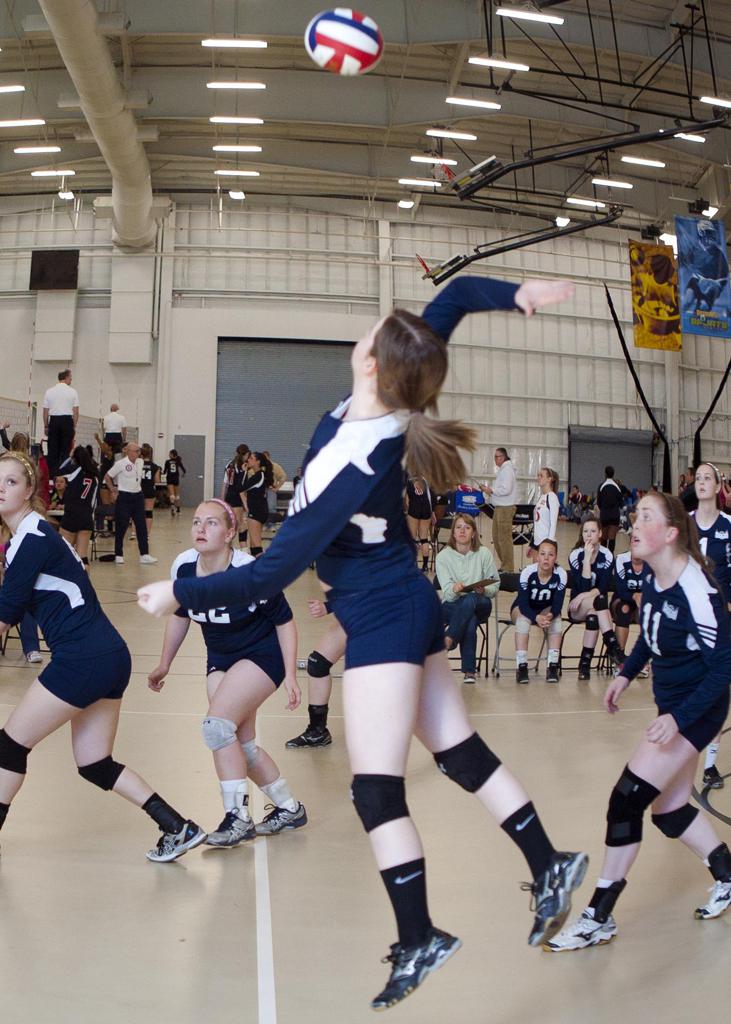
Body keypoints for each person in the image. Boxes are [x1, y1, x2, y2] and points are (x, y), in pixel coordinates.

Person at [138, 273, 588, 1010]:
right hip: (397, 600)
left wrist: (178, 592)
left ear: (372, 362)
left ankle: (420, 936)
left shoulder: (355, 458)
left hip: (383, 614)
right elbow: (451, 300)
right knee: (457, 750)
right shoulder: (385, 400)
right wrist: (517, 294)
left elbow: (271, 572)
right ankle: (549, 862)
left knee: (374, 787)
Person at [546, 493, 731, 951]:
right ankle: (728, 876)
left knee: (626, 800)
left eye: (645, 516)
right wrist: (625, 676)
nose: (634, 522)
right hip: (675, 705)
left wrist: (679, 720)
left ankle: (598, 917)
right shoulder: (654, 576)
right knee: (668, 813)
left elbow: (725, 666)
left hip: (697, 708)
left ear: (670, 533)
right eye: (636, 515)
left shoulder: (696, 590)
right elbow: (649, 636)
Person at [0, 450, 205, 862]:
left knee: (9, 747)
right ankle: (177, 826)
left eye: (10, 482)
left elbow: (4, 618)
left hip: (83, 658)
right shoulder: (37, 534)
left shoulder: (31, 538)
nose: (0, 489)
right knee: (94, 763)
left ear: (30, 491)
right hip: (109, 655)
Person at [148, 499, 307, 844]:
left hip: (262, 656)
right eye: (196, 522)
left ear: (231, 532)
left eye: (212, 523)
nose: (201, 529)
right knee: (240, 746)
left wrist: (291, 676)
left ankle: (237, 818)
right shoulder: (185, 567)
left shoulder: (250, 572)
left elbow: (285, 621)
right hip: (220, 658)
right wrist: (165, 663)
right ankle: (289, 808)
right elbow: (180, 614)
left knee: (217, 727)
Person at [691, 463, 731, 790]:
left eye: (708, 478)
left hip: (720, 616)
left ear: (719, 486)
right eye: (698, 478)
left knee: (718, 689)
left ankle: (711, 764)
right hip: (689, 617)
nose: (702, 483)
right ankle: (682, 757)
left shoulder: (729, 526)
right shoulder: (684, 525)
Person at [436, 514, 499, 684]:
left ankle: (449, 638)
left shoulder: (484, 553)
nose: (462, 531)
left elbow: (495, 586)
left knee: (471, 599)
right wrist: (455, 590)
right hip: (453, 604)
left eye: (467, 527)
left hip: (481, 602)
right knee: (469, 618)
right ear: (453, 533)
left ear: (473, 533)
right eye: (458, 527)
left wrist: (484, 589)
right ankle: (469, 671)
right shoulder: (443, 557)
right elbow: (448, 594)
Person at [567, 516, 623, 679]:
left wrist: (584, 595)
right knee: (599, 601)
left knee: (594, 615)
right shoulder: (575, 555)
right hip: (577, 607)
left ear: (600, 533)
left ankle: (584, 665)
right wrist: (586, 558)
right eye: (585, 531)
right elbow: (583, 586)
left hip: (596, 606)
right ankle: (614, 648)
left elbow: (603, 587)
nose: (588, 535)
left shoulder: (607, 556)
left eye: (592, 531)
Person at [286, 599, 345, 749]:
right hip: (356, 608)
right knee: (318, 663)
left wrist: (329, 605)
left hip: (387, 609)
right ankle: (317, 731)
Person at [512, 539, 566, 684]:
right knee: (523, 621)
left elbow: (558, 603)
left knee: (556, 621)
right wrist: (535, 617)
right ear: (537, 556)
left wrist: (550, 614)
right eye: (542, 554)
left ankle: (552, 666)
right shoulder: (527, 572)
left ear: (555, 557)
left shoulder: (560, 574)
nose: (546, 558)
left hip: (545, 609)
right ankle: (521, 666)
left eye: (550, 555)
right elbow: (523, 604)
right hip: (524, 608)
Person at [104, 442, 157, 565]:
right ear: (127, 451)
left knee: (141, 526)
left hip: (138, 496)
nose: (137, 453)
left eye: (138, 451)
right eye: (135, 451)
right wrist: (113, 489)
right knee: (121, 526)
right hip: (124, 497)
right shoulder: (120, 464)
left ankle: (144, 554)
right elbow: (107, 476)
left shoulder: (140, 462)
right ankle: (119, 554)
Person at [58, 445, 98, 566]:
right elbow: (94, 501)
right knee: (83, 556)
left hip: (71, 514)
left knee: (65, 553)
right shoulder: (95, 475)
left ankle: (66, 583)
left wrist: (69, 458)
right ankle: (84, 583)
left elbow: (59, 471)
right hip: (86, 516)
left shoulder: (73, 470)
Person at [611, 548, 648, 673]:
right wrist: (635, 596)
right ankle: (619, 659)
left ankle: (643, 660)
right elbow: (621, 590)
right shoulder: (622, 559)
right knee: (624, 609)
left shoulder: (652, 560)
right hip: (621, 601)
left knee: (647, 611)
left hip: (641, 604)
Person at [481, 447, 517, 572]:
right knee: (496, 538)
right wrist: (490, 492)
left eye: (497, 457)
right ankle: (505, 564)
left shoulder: (507, 470)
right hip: (500, 507)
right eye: (494, 457)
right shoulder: (503, 470)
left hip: (505, 508)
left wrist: (491, 490)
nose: (495, 459)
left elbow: (506, 489)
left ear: (503, 457)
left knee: (504, 538)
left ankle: (508, 567)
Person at [43, 369, 79, 478]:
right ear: (66, 377)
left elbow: (45, 412)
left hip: (54, 421)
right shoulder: (72, 391)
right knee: (65, 451)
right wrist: (73, 426)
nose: (71, 379)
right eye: (71, 377)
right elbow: (76, 412)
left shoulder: (49, 391)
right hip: (67, 421)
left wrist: (46, 425)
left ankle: (52, 477)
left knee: (53, 451)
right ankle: (63, 478)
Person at [240, 451, 273, 557]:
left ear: (258, 462)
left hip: (256, 512)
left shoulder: (258, 476)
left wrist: (244, 472)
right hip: (259, 510)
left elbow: (241, 487)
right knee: (254, 546)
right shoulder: (258, 475)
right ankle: (254, 568)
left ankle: (263, 570)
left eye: (251, 458)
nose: (248, 460)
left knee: (256, 545)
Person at [221, 444, 250, 547]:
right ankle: (227, 548)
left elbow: (225, 484)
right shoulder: (241, 468)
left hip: (229, 496)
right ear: (246, 454)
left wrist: (222, 500)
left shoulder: (229, 464)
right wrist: (246, 505)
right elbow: (240, 489)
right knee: (237, 525)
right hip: (237, 499)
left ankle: (243, 550)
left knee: (239, 524)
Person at [529, 467, 560, 559]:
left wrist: (549, 545)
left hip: (546, 543)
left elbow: (553, 524)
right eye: (538, 475)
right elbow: (537, 523)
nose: (538, 477)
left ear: (549, 479)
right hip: (536, 542)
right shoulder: (542, 497)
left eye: (541, 476)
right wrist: (531, 544)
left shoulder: (552, 497)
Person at [405, 475, 433, 572]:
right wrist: (432, 512)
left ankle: (413, 564)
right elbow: (430, 497)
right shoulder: (425, 479)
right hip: (426, 509)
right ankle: (425, 565)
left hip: (414, 508)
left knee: (412, 538)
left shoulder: (409, 480)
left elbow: (407, 499)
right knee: (424, 539)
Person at [597, 466, 625, 554]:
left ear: (605, 474)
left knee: (604, 537)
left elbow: (598, 503)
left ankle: (603, 556)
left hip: (605, 515)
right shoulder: (617, 487)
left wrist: (604, 509)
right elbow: (621, 504)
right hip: (614, 515)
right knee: (612, 537)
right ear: (613, 474)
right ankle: (610, 557)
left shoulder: (601, 486)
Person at [140, 444, 161, 536]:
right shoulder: (155, 466)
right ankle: (147, 533)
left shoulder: (138, 465)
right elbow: (157, 480)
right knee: (148, 512)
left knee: (137, 511)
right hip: (149, 490)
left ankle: (134, 533)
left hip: (139, 490)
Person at [163, 449, 186, 516]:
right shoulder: (178, 461)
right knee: (177, 495)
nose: (169, 455)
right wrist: (183, 474)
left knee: (172, 494)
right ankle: (178, 510)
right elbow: (184, 470)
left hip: (169, 478)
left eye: (170, 454)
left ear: (172, 454)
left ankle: (172, 507)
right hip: (176, 478)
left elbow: (164, 471)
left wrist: (161, 472)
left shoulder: (167, 461)